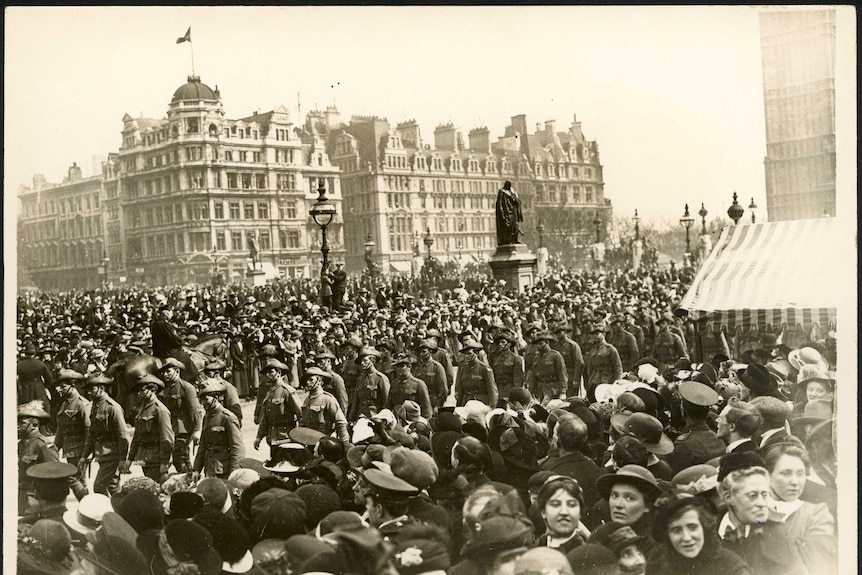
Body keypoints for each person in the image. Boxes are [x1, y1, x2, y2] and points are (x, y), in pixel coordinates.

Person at [716, 452, 808, 575]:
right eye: (752, 496)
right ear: (729, 497)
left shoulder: (782, 535)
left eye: (764, 495)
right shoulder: (706, 527)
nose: (762, 503)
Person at [762, 442, 836, 573]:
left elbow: (816, 562)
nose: (795, 482)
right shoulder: (753, 510)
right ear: (768, 476)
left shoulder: (815, 514)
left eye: (800, 474)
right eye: (786, 473)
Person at [647, 492, 750, 574]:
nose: (686, 538)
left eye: (692, 527)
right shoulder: (657, 563)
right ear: (667, 535)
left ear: (704, 528)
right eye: (677, 530)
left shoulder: (731, 565)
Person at [593, 465, 662, 554]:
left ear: (648, 505)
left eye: (629, 498)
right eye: (615, 496)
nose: (618, 504)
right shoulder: (601, 534)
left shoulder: (655, 546)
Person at [78, 374, 129, 496]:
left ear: (102, 388)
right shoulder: (95, 406)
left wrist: (123, 459)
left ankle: (106, 513)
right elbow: (92, 434)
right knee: (113, 487)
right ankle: (122, 511)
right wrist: (84, 456)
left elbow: (123, 435)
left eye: (92, 389)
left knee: (99, 487)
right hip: (102, 453)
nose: (89, 392)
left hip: (112, 454)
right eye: (88, 389)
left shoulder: (113, 407)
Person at [124, 374, 175, 482]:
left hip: (157, 458)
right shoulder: (142, 408)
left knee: (159, 491)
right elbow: (137, 437)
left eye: (142, 390)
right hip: (146, 458)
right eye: (138, 391)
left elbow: (167, 439)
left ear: (152, 390)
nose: (139, 393)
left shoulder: (160, 410)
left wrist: (164, 462)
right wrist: (130, 459)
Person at [157, 357, 203, 473]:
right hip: (170, 428)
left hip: (183, 428)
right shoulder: (165, 388)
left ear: (177, 371)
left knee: (180, 455)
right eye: (164, 372)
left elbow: (195, 411)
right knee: (175, 456)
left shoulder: (187, 388)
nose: (165, 375)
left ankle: (189, 478)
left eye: (169, 371)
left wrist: (197, 430)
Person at [194, 379, 244, 479]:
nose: (203, 403)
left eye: (206, 399)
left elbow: (238, 449)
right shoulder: (206, 418)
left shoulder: (228, 418)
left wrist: (234, 474)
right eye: (201, 400)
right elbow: (202, 447)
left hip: (224, 471)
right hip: (209, 469)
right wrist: (196, 469)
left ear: (215, 398)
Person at [53, 369, 91, 500]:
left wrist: (87, 452)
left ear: (73, 385)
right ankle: (85, 504)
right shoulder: (65, 404)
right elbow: (60, 428)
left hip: (80, 447)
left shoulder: (82, 403)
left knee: (75, 478)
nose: (60, 389)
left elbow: (88, 429)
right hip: (70, 448)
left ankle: (86, 505)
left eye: (63, 386)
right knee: (77, 478)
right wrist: (55, 447)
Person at [18, 401, 60, 513]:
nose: (17, 426)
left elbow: (56, 474)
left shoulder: (43, 444)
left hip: (37, 500)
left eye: (22, 423)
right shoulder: (21, 444)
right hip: (21, 497)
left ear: (34, 425)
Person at [534, 475, 587, 555]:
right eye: (555, 505)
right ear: (543, 512)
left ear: (580, 512)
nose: (564, 512)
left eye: (571, 505)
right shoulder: (534, 549)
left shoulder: (587, 554)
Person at [299, 367, 350, 443]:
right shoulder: (307, 400)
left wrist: (345, 444)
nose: (307, 383)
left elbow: (341, 423)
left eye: (311, 380)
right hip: (309, 441)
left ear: (319, 381)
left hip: (324, 441)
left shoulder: (327, 399)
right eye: (307, 380)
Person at [349, 347, 391, 421]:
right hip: (361, 414)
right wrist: (351, 418)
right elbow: (355, 401)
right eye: (361, 361)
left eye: (365, 360)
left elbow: (387, 402)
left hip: (375, 416)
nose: (362, 363)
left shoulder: (380, 378)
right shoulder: (360, 379)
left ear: (373, 361)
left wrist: (383, 418)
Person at [527, 331, 568, 405]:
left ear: (547, 343)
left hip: (553, 390)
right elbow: (533, 377)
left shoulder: (555, 355)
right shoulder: (536, 358)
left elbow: (562, 374)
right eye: (537, 344)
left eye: (541, 344)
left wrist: (563, 392)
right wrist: (530, 392)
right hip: (540, 391)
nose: (538, 346)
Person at [387, 355, 433, 420]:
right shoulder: (394, 384)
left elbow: (426, 408)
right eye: (397, 366)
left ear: (409, 367)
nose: (399, 369)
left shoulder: (419, 384)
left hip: (413, 420)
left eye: (402, 366)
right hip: (397, 419)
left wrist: (424, 423)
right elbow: (388, 405)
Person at [454, 341, 498, 408]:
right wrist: (459, 405)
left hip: (480, 402)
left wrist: (492, 407)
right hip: (466, 402)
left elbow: (492, 390)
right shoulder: (463, 368)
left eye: (469, 354)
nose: (466, 356)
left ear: (476, 353)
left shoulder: (484, 369)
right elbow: (460, 389)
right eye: (465, 354)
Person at [413, 339, 450, 412]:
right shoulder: (417, 368)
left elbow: (443, 390)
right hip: (420, 402)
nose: (421, 354)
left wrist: (438, 405)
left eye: (424, 351)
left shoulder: (437, 367)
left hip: (433, 402)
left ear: (430, 352)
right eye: (420, 352)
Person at [495, 180, 523, 245]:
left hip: (513, 212)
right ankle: (507, 240)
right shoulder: (502, 191)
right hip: (506, 212)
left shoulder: (512, 192)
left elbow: (517, 201)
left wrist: (515, 196)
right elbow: (500, 203)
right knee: (507, 227)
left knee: (515, 226)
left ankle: (514, 239)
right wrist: (502, 213)